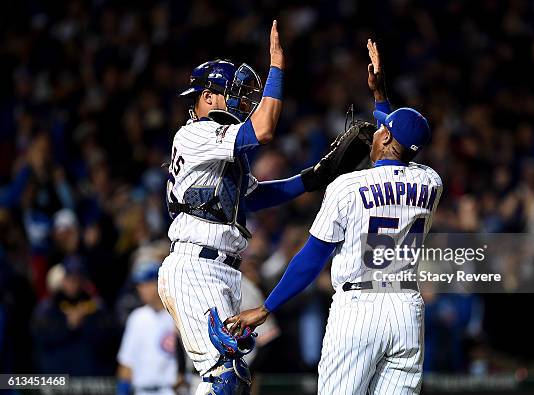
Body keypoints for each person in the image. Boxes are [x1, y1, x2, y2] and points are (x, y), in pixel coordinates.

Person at [227, 39, 443, 394]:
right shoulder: (431, 182)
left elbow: (312, 259)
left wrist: (267, 307)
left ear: (386, 134)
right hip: (407, 310)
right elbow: (401, 149)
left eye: (380, 128)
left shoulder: (347, 185)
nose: (373, 130)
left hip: (358, 309)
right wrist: (380, 97)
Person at [158, 20, 341, 394]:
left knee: (233, 380)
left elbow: (255, 197)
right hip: (197, 267)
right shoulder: (197, 132)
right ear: (207, 97)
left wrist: (312, 178)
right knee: (225, 379)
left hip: (218, 268)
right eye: (234, 93)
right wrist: (276, 68)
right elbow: (264, 128)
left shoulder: (219, 150)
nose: (243, 100)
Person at [117, 262, 183, 395]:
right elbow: (126, 364)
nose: (142, 289)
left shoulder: (177, 315)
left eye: (147, 284)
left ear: (159, 284)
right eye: (140, 285)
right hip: (142, 390)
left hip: (170, 390)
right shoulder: (137, 317)